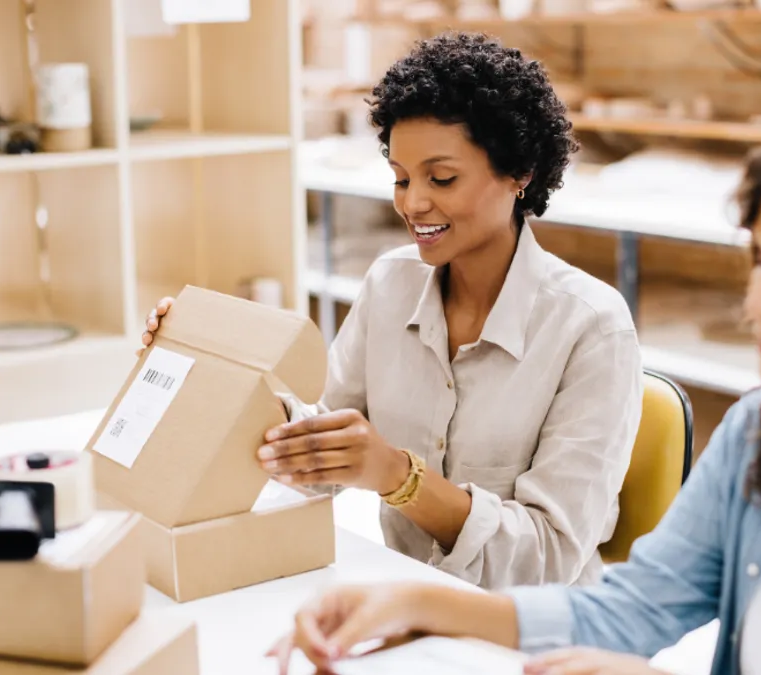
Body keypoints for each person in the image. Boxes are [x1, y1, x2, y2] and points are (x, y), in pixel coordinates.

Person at [271, 105, 761, 675]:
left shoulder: (591, 322)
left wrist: (403, 487)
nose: (760, 305)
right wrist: (413, 602)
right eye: (759, 264)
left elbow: (559, 559)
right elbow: (635, 607)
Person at [141, 32, 643, 590]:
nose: (412, 203)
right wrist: (205, 366)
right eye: (401, 178)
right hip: (407, 599)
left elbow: (547, 560)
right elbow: (321, 455)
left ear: (519, 173)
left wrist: (399, 478)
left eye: (441, 178)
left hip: (529, 631)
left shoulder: (593, 328)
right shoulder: (390, 284)